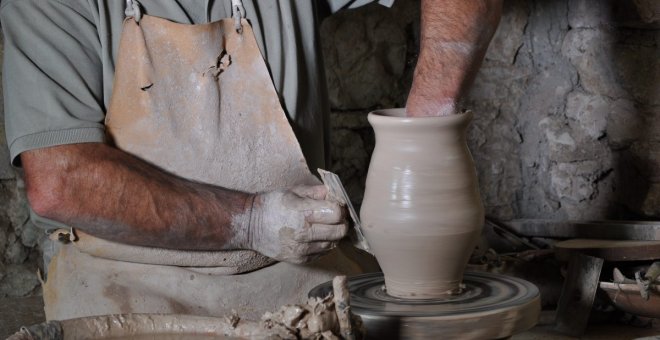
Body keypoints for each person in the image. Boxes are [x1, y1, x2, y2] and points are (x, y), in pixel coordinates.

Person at [1, 0, 502, 320]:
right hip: (126, 291)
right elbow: (61, 179)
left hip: (300, 279)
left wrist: (431, 112)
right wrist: (253, 220)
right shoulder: (48, 5)